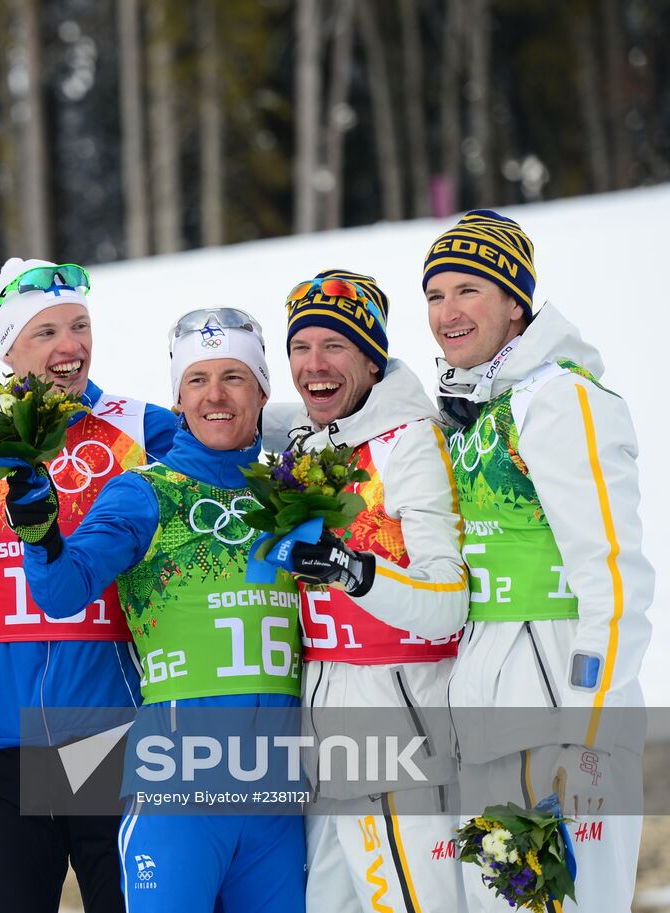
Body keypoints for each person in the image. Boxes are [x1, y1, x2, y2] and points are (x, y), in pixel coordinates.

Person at [6, 308, 306, 911]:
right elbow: (63, 591)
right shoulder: (146, 491)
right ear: (178, 399)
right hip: (178, 795)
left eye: (234, 377)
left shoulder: (297, 495)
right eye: (197, 380)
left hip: (279, 801)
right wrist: (39, 534)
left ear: (263, 391)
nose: (215, 396)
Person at [424, 210, 654, 912]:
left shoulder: (560, 399)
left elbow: (615, 580)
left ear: (516, 302)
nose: (448, 312)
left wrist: (587, 738)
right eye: (435, 295)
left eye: (469, 290)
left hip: (560, 709)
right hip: (488, 710)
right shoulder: (476, 408)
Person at [0, 258, 175, 913]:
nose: (70, 345)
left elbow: (221, 452)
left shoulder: (141, 427)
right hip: (5, 732)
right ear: (8, 350)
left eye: (79, 326)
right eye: (46, 332)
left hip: (109, 725)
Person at [266, 270, 468, 912]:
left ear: (373, 360)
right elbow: (225, 409)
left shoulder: (410, 442)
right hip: (324, 731)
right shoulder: (304, 438)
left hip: (398, 726)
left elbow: (448, 602)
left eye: (336, 346)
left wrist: (353, 571)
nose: (315, 365)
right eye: (301, 347)